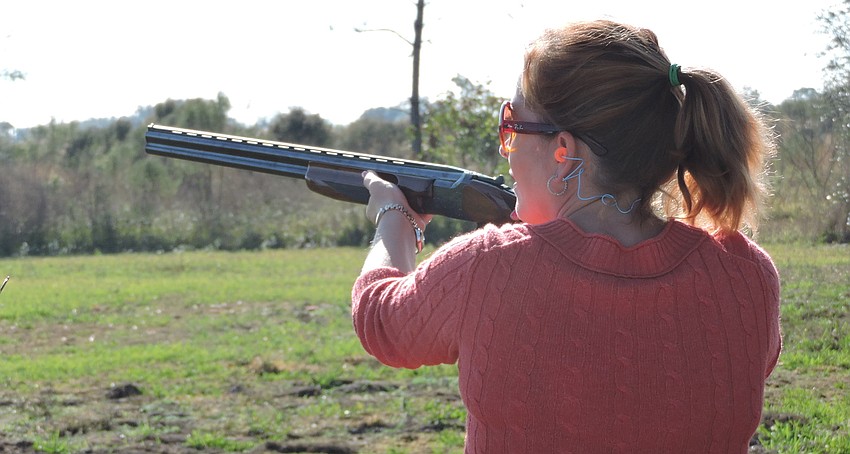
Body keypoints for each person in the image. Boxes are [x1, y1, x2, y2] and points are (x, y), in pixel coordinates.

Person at [352, 19, 782, 453]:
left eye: (511, 125)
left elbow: (381, 321)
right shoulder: (747, 274)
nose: (505, 147)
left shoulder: (488, 266)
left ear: (563, 152)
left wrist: (393, 216)